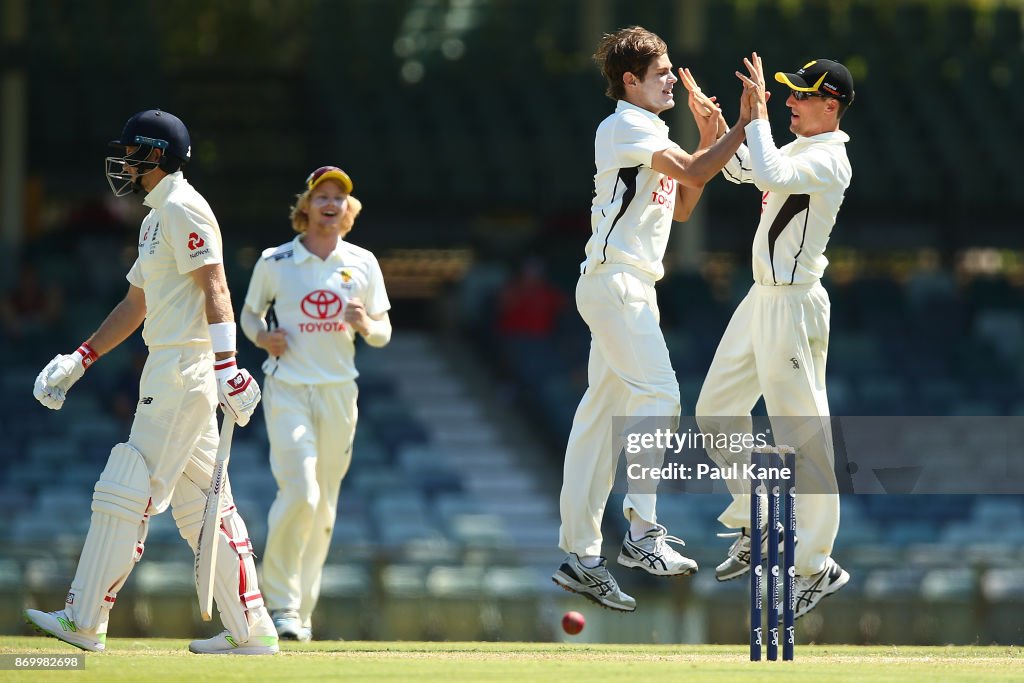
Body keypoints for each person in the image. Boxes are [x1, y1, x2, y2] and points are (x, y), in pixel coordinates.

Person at [26, 109, 276, 655]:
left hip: (184, 370)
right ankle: (251, 629)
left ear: (154, 155)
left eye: (132, 153)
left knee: (126, 484)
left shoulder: (185, 207)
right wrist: (81, 358)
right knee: (205, 506)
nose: (123, 162)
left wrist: (227, 365)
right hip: (173, 367)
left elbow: (216, 286)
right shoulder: (154, 217)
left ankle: (84, 619)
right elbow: (137, 303)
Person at [552, 25, 759, 612]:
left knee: (598, 418)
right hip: (617, 282)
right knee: (662, 395)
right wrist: (742, 127)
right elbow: (693, 172)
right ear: (630, 81)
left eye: (670, 70)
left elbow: (686, 199)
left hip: (623, 284)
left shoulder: (650, 130)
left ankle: (581, 556)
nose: (672, 78)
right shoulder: (625, 125)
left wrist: (709, 134)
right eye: (661, 71)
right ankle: (642, 532)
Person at [695, 55, 854, 618]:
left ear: (829, 106)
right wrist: (719, 129)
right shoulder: (798, 151)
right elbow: (746, 171)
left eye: (800, 96)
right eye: (784, 95)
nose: (788, 102)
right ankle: (757, 523)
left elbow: (770, 175)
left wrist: (756, 116)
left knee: (803, 434)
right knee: (714, 412)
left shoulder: (831, 159)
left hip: (792, 303)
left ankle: (816, 565)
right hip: (761, 297)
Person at [240, 166, 392, 641]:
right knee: (301, 491)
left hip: (339, 393)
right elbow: (248, 312)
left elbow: (384, 333)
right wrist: (263, 337)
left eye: (339, 197)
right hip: (288, 389)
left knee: (323, 507)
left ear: (349, 210)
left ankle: (298, 614)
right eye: (321, 196)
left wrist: (365, 322)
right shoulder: (276, 260)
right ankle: (279, 604)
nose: (331, 203)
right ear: (304, 207)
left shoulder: (363, 262)